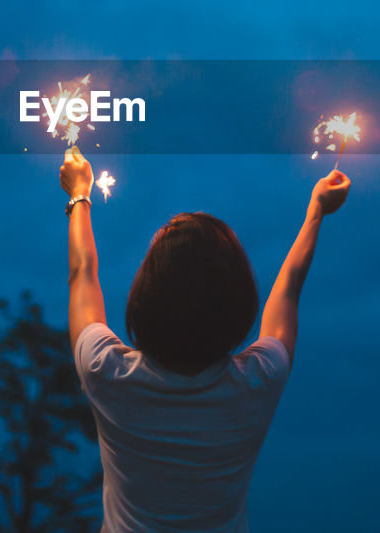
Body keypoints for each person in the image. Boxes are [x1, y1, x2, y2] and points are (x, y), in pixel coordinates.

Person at [60, 145, 351, 532]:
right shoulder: (257, 381)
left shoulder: (106, 370)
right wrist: (316, 211)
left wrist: (79, 195)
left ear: (145, 295)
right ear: (238, 302)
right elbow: (289, 291)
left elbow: (82, 273)